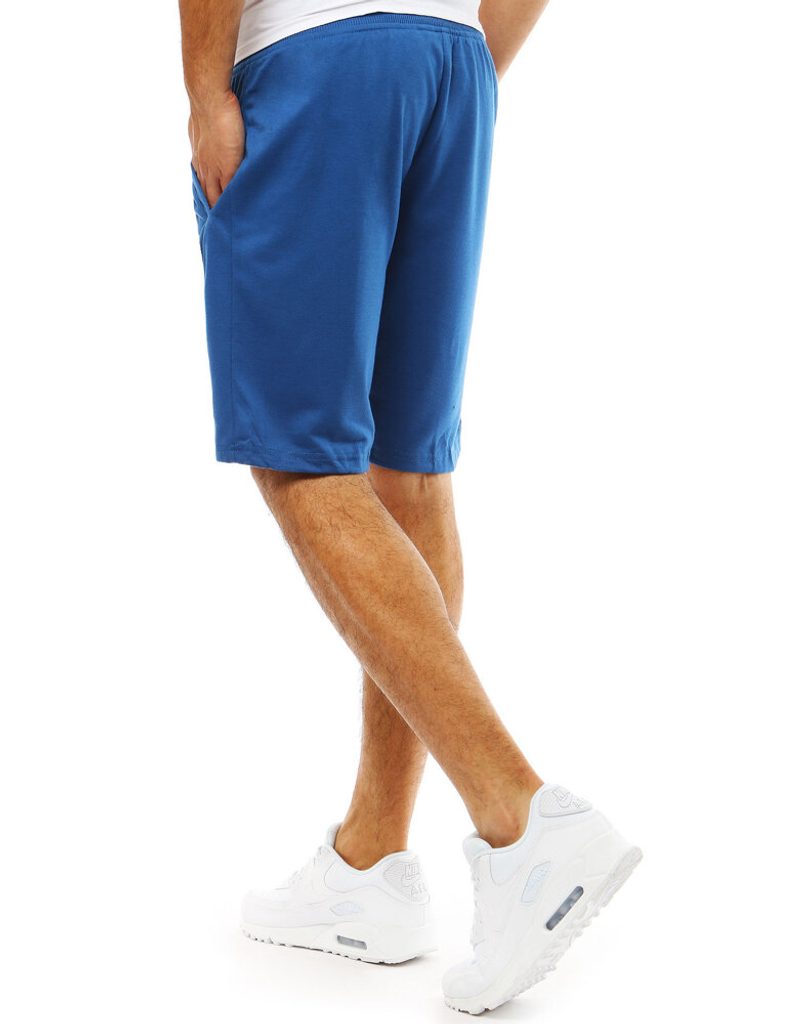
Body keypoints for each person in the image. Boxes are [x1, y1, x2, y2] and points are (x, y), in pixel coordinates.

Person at [179, 0, 641, 1012]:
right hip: (447, 63)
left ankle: (521, 821)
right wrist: (456, 63)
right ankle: (371, 863)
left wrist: (206, 92)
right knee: (409, 472)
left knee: (303, 464)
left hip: (311, 60)